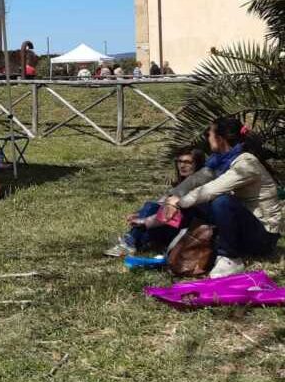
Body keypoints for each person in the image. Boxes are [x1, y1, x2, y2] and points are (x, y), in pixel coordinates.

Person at [161, 117, 282, 278]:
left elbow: (211, 189)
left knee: (221, 201)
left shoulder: (246, 164)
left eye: (209, 134)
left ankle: (230, 258)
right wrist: (172, 198)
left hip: (263, 238)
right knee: (198, 203)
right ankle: (181, 238)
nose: (207, 138)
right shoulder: (220, 161)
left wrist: (179, 202)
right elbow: (196, 180)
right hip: (243, 228)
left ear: (219, 138)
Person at [104, 147, 206, 257]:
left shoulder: (198, 185)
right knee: (151, 206)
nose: (182, 165)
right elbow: (161, 202)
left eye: (188, 162)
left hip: (186, 230)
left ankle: (129, 242)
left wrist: (145, 221)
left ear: (197, 164)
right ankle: (131, 242)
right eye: (179, 161)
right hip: (169, 224)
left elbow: (175, 213)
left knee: (152, 210)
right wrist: (139, 214)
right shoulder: (181, 184)